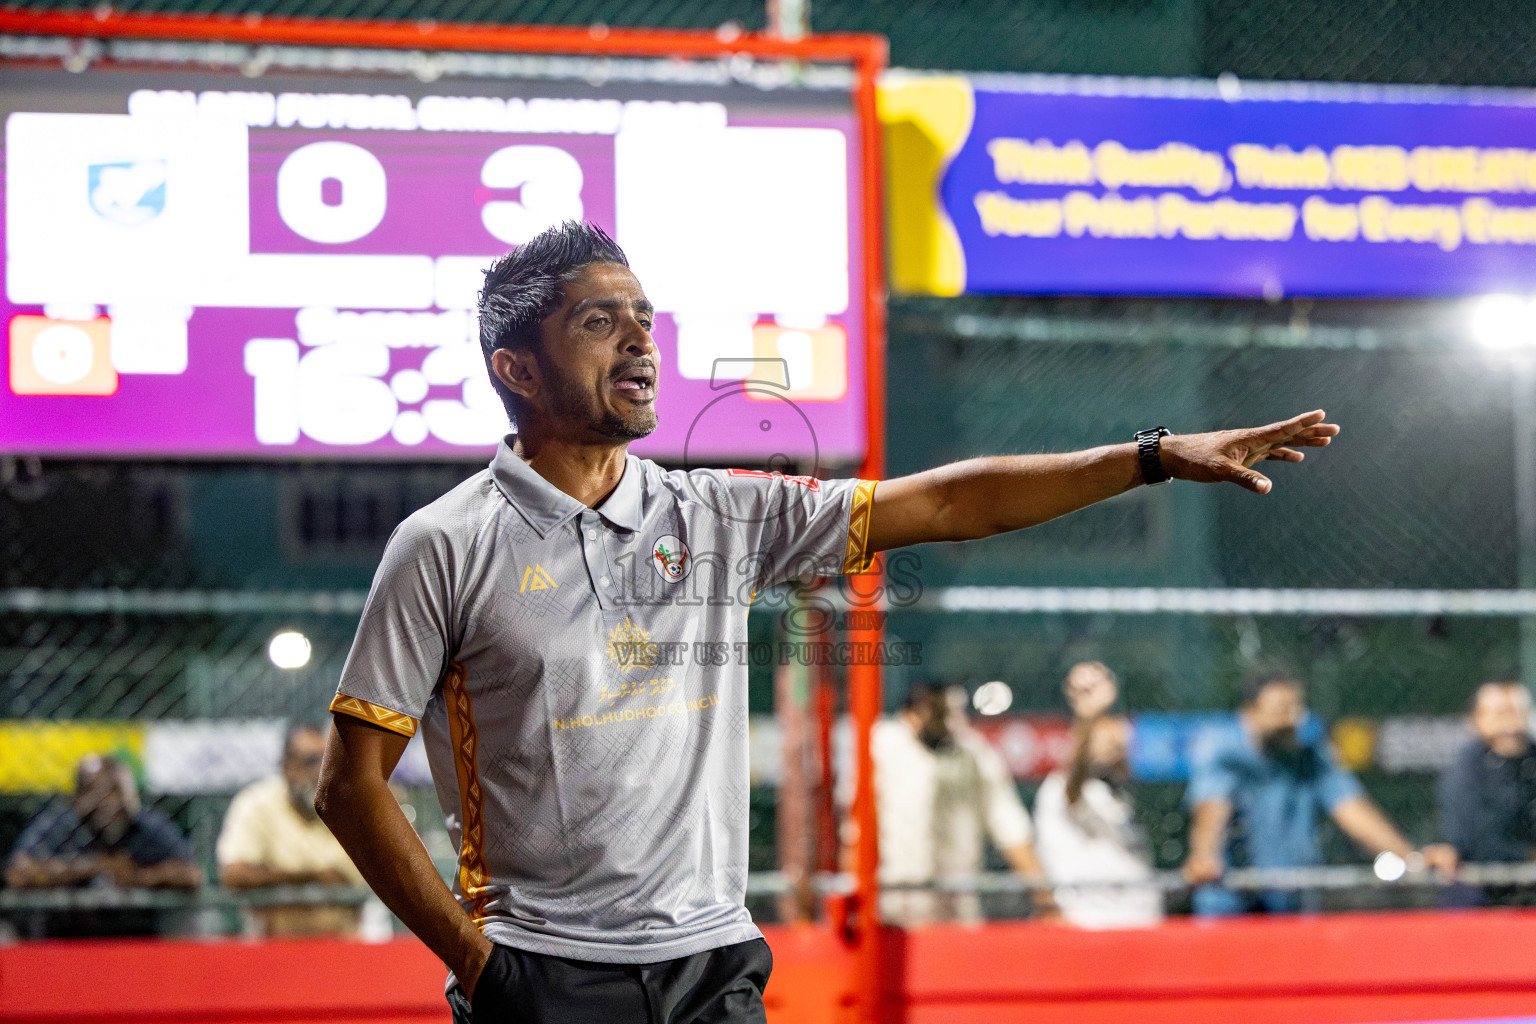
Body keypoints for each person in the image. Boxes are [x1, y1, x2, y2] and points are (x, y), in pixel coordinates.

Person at [312, 219, 1339, 1022]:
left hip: (712, 967)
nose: (639, 338)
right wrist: (483, 966)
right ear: (517, 368)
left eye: (643, 314)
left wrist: (1149, 457)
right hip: (543, 977)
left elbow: (944, 502)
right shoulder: (443, 544)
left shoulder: (715, 511)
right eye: (597, 319)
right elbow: (349, 785)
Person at [1183, 670, 1457, 915]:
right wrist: (1205, 857)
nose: (1292, 719)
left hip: (1293, 906)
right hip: (1231, 909)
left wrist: (1411, 858)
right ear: (1249, 714)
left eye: (1296, 709)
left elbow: (1354, 812)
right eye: (1280, 710)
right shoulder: (1223, 753)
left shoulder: (1311, 755)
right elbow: (1211, 810)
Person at [873, 686, 1049, 925]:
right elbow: (856, 831)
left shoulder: (973, 753)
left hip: (954, 916)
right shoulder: (885, 746)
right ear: (911, 715)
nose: (950, 723)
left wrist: (1046, 903)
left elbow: (1010, 828)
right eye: (939, 713)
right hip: (892, 915)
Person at [5, 755, 201, 937]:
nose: (109, 802)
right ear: (77, 799)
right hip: (65, 936)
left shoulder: (146, 826)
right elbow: (18, 874)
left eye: (117, 790)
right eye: (97, 792)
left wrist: (138, 877)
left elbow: (190, 874)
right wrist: (90, 867)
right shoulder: (60, 826)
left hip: (139, 934)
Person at [218, 723, 366, 937]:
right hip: (277, 949)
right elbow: (234, 874)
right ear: (287, 766)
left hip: (342, 946)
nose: (320, 772)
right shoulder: (256, 804)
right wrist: (310, 877)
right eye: (311, 761)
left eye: (327, 761)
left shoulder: (346, 805)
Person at [1035, 714, 1162, 928]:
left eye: (1122, 745)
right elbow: (1073, 785)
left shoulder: (1117, 798)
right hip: (1087, 920)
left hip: (1137, 921)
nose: (1117, 749)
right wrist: (1090, 720)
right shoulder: (1059, 790)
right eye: (1108, 742)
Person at [1438, 681, 1536, 901]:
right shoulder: (1465, 769)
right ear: (1476, 720)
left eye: (1517, 713)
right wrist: (1528, 855)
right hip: (1482, 895)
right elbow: (1475, 844)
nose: (1510, 725)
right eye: (1500, 714)